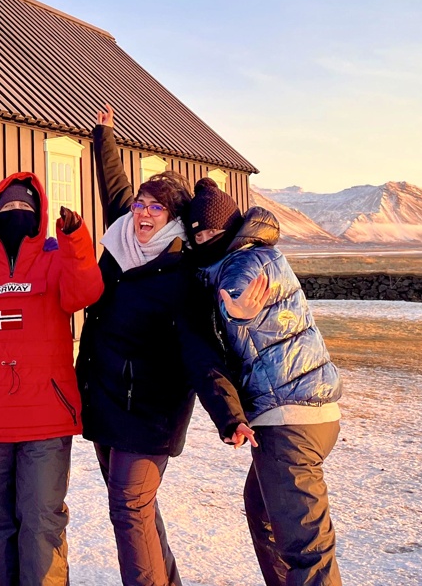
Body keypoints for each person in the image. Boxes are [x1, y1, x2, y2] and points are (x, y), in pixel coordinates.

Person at [76, 104, 252, 586]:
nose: (144, 213)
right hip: (106, 400)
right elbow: (113, 187)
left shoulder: (181, 275)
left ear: (174, 217)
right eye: (140, 204)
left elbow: (200, 351)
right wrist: (103, 135)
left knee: (128, 509)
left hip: (151, 410)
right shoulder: (120, 241)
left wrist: (229, 414)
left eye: (157, 207)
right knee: (139, 511)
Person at [0, 172, 102, 586]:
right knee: (1, 525)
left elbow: (85, 290)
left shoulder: (54, 262)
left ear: (39, 217)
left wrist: (76, 239)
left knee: (42, 523)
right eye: (7, 209)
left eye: (24, 210)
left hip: (45, 420)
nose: (16, 215)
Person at [191, 178, 344, 586]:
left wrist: (235, 314)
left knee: (307, 551)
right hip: (311, 412)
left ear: (231, 229)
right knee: (262, 512)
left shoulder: (241, 264)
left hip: (288, 420)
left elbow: (236, 297)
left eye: (211, 231)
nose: (205, 239)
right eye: (198, 233)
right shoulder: (263, 253)